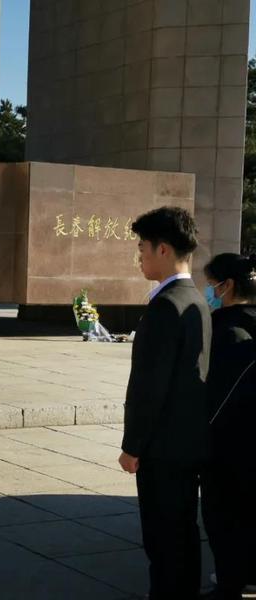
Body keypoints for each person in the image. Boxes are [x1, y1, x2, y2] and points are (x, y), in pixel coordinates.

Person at [118, 206, 211, 599]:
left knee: (162, 538)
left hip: (162, 448)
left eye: (142, 247)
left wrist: (132, 446)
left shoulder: (165, 307)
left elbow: (148, 387)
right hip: (188, 444)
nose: (138, 256)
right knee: (182, 532)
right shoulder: (197, 300)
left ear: (163, 249)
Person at [200, 253, 256, 600]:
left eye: (210, 285)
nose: (208, 292)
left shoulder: (227, 332)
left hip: (229, 446)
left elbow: (217, 399)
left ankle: (230, 584)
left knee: (224, 518)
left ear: (227, 286)